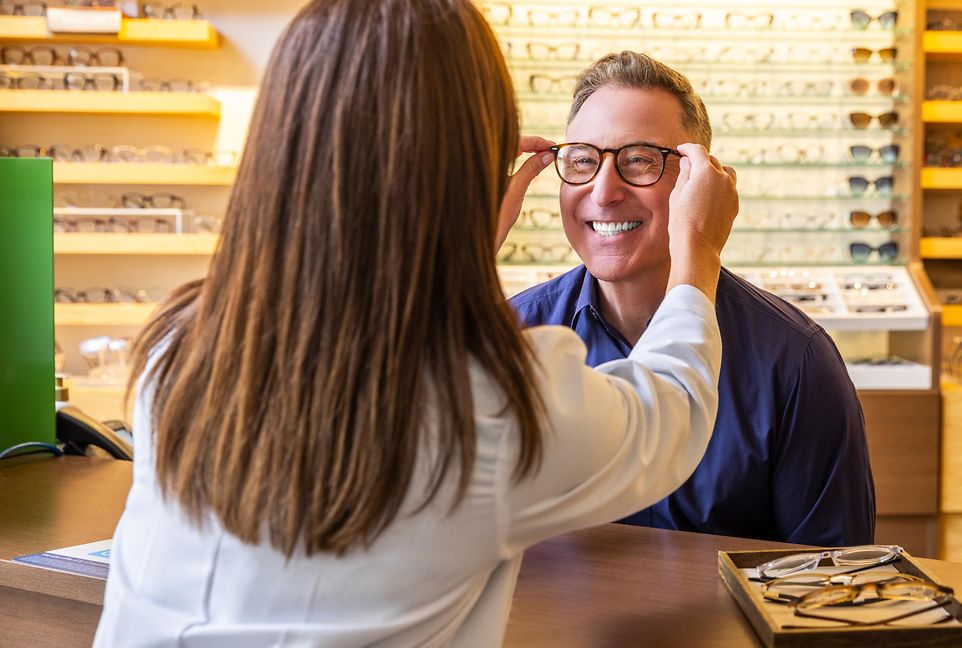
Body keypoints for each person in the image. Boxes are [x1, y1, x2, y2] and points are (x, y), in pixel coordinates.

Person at [93, 1, 740, 646]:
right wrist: (698, 248)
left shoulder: (178, 344)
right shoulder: (487, 405)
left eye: (638, 159)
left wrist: (458, 241)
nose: (604, 188)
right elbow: (674, 408)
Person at [510, 52, 876, 547]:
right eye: (582, 161)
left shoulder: (794, 360)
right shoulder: (510, 337)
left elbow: (833, 575)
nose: (603, 192)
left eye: (638, 160)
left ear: (699, 180)